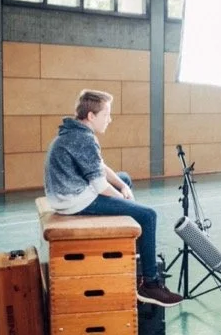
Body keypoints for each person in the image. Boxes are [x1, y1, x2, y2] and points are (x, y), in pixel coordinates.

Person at [44, 89, 183, 307]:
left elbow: (99, 166)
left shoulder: (75, 132)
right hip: (73, 199)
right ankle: (150, 284)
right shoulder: (84, 139)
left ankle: (135, 251)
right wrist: (126, 202)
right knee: (148, 215)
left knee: (124, 178)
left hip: (67, 193)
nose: (110, 119)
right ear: (91, 116)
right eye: (106, 114)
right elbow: (99, 185)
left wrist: (121, 185)